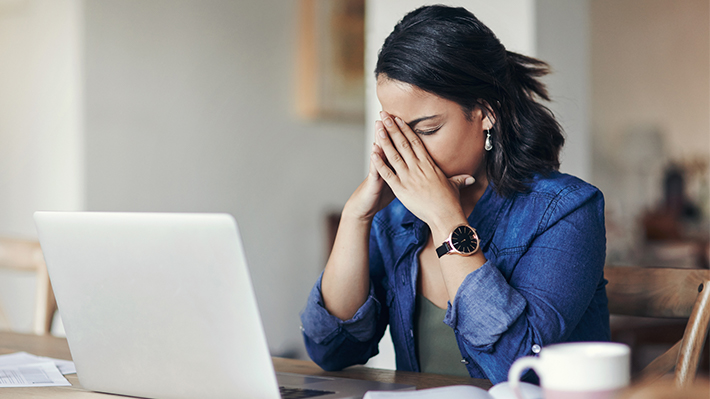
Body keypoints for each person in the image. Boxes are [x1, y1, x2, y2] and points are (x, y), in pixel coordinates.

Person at [300, 5, 609, 384]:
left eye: (427, 129)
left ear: (485, 112)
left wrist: (446, 219)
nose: (410, 151)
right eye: (397, 130)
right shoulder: (396, 218)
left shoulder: (566, 210)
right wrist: (356, 217)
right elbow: (331, 350)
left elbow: (517, 371)